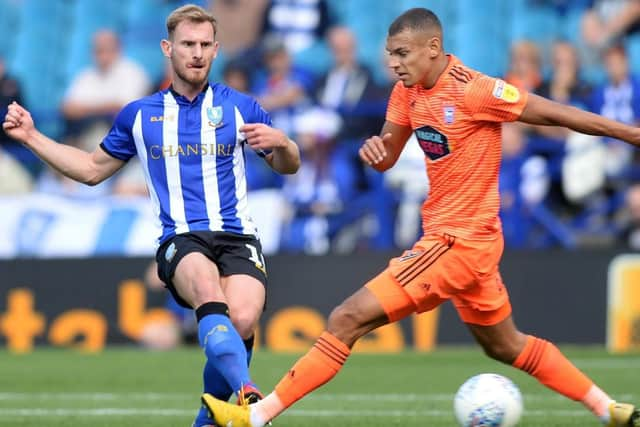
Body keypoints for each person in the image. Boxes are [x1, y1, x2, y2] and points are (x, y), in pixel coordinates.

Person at [199, 8, 640, 427]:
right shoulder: (405, 92)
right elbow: (388, 153)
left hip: (456, 242)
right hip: (469, 244)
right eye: (390, 54)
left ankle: (257, 416)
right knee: (506, 345)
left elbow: (555, 112)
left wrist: (628, 133)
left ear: (433, 47)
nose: (393, 63)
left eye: (402, 53)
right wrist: (377, 151)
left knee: (345, 318)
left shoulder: (475, 90)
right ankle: (608, 408)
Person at [2, 4, 300, 427]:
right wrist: (32, 137)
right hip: (181, 238)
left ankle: (207, 419)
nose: (196, 53)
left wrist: (285, 144)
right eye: (187, 44)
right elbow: (90, 170)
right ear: (168, 48)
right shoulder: (140, 115)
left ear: (215, 50)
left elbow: (288, 165)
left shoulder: (241, 108)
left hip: (238, 236)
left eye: (204, 45)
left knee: (245, 317)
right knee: (203, 284)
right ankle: (251, 395)